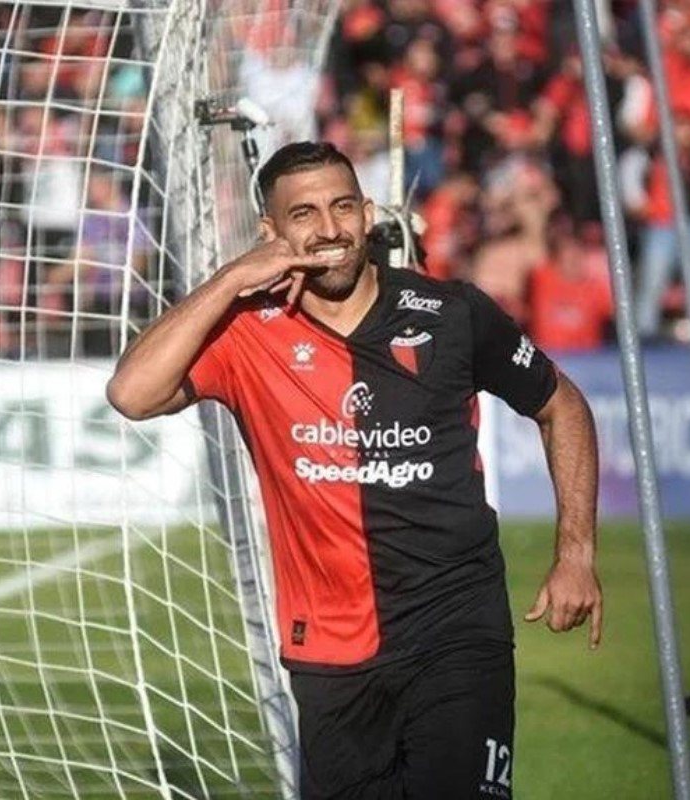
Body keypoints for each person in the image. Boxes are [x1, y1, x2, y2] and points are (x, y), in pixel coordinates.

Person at [106, 141, 602, 799]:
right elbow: (132, 394)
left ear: (368, 214)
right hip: (328, 651)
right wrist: (231, 279)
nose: (330, 228)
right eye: (304, 214)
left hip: (456, 629)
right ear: (271, 233)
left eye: (343, 206)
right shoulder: (246, 334)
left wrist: (576, 554)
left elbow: (561, 403)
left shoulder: (451, 313)